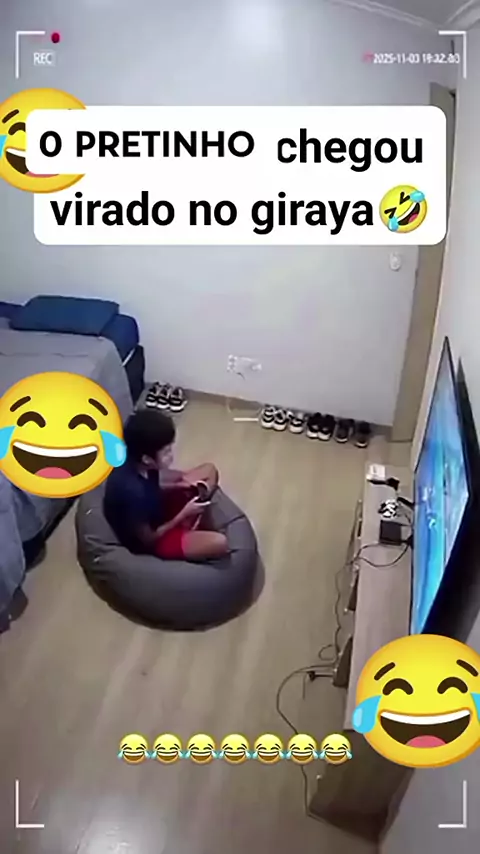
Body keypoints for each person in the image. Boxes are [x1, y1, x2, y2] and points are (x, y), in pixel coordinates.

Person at [104, 409, 228, 561]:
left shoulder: (140, 463)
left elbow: (150, 489)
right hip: (154, 538)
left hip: (157, 511)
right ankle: (190, 526)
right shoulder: (131, 492)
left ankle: (193, 521)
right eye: (166, 452)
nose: (171, 456)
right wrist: (183, 515)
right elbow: (148, 540)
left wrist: (180, 486)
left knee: (209, 470)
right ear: (147, 459)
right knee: (220, 542)